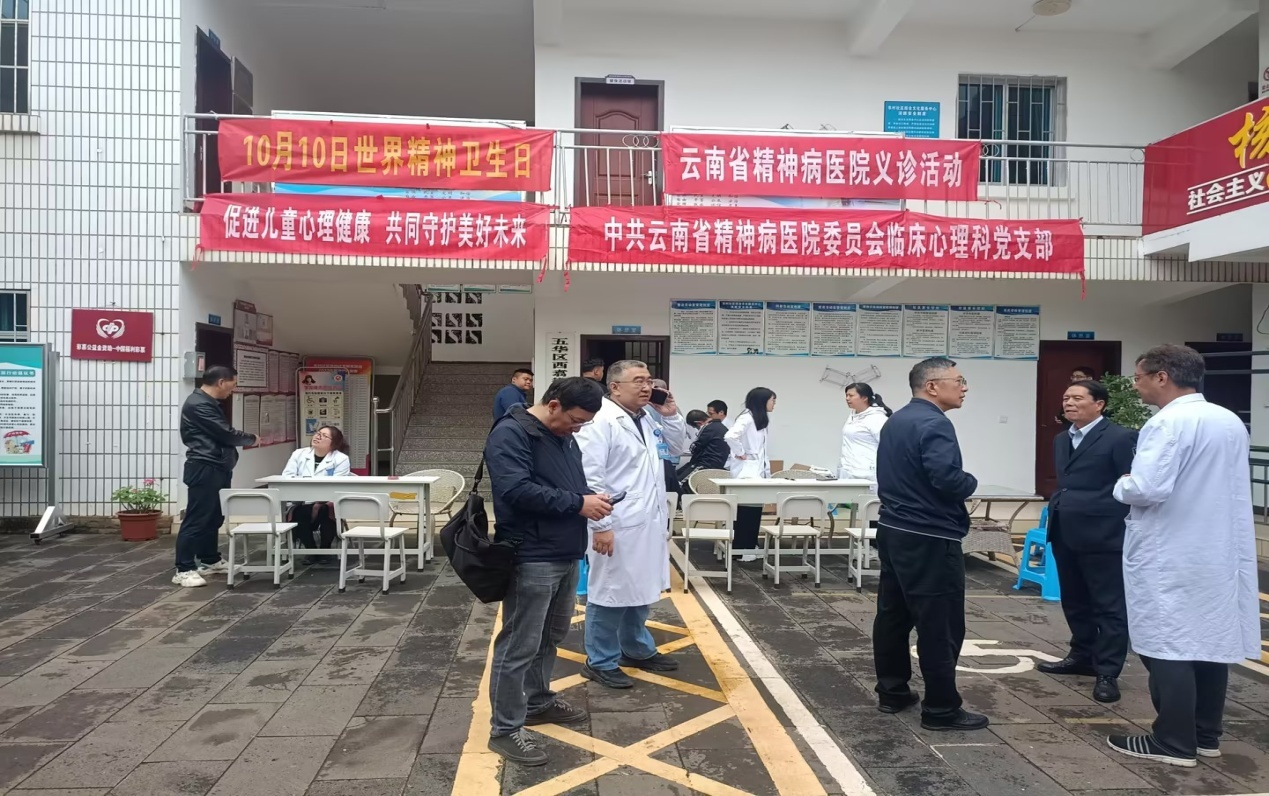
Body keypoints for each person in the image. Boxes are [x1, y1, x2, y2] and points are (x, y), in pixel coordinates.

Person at [1106, 344, 1258, 768]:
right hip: (1216, 549)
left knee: (1167, 643)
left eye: (1139, 377)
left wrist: (1122, 482)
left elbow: (1147, 488)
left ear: (1162, 376)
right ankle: (1206, 734)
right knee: (1209, 640)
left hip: (1170, 549)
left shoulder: (1167, 422)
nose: (1135, 385)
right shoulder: (1227, 419)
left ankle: (1173, 740)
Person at [483, 377, 612, 767]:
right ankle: (505, 729)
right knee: (519, 643)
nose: (578, 429)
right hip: (532, 553)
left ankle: (538, 701)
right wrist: (578, 503)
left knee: (550, 635)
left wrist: (589, 498)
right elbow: (515, 490)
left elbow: (569, 484)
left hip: (565, 550)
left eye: (584, 423)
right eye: (575, 420)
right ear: (553, 405)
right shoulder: (511, 433)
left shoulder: (563, 435)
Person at [872, 357, 986, 731]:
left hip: (894, 528)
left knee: (893, 616)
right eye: (959, 380)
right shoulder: (935, 423)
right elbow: (946, 478)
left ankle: (892, 692)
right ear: (933, 386)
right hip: (930, 535)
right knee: (940, 624)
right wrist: (971, 482)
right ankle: (940, 708)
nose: (964, 387)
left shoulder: (897, 420)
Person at [575, 360, 687, 689]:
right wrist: (602, 526)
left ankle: (636, 649)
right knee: (609, 591)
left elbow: (676, 450)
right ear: (614, 387)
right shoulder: (600, 420)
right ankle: (600, 661)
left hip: (647, 520)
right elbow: (591, 477)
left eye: (649, 380)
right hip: (617, 522)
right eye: (638, 381)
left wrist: (670, 416)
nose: (646, 387)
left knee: (640, 588)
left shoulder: (647, 417)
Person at [1039, 380, 1135, 704]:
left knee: (1108, 605)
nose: (1069, 403)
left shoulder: (1120, 437)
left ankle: (1107, 671)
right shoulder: (1061, 438)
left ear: (1099, 404)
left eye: (1078, 398)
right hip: (1065, 529)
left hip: (1103, 534)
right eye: (1066, 397)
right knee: (1074, 599)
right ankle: (1082, 655)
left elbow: (1130, 485)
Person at [175, 366, 257, 588]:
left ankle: (209, 560)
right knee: (198, 517)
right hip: (204, 466)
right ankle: (183, 569)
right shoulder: (199, 404)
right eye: (233, 384)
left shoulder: (208, 402)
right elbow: (225, 434)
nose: (233, 389)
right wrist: (251, 438)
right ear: (221, 382)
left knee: (214, 516)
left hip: (217, 466)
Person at [281, 425, 352, 562]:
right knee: (300, 513)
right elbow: (287, 476)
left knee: (327, 510)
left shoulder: (341, 459)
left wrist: (318, 502)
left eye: (324, 436)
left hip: (328, 501)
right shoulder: (299, 454)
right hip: (302, 500)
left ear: (334, 443)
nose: (318, 437)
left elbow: (338, 486)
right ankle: (311, 550)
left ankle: (325, 550)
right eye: (318, 433)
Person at [725, 388, 776, 558]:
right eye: (772, 400)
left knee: (754, 512)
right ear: (762, 401)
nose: (774, 404)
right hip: (746, 472)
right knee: (746, 512)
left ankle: (751, 545)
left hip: (756, 472)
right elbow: (730, 436)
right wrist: (740, 452)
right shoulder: (746, 418)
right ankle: (742, 549)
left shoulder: (759, 419)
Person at [839, 382, 891, 481]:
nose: (847, 398)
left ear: (864, 398)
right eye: (846, 395)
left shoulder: (877, 418)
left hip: (867, 473)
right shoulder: (853, 415)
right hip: (849, 471)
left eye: (851, 395)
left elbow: (888, 445)